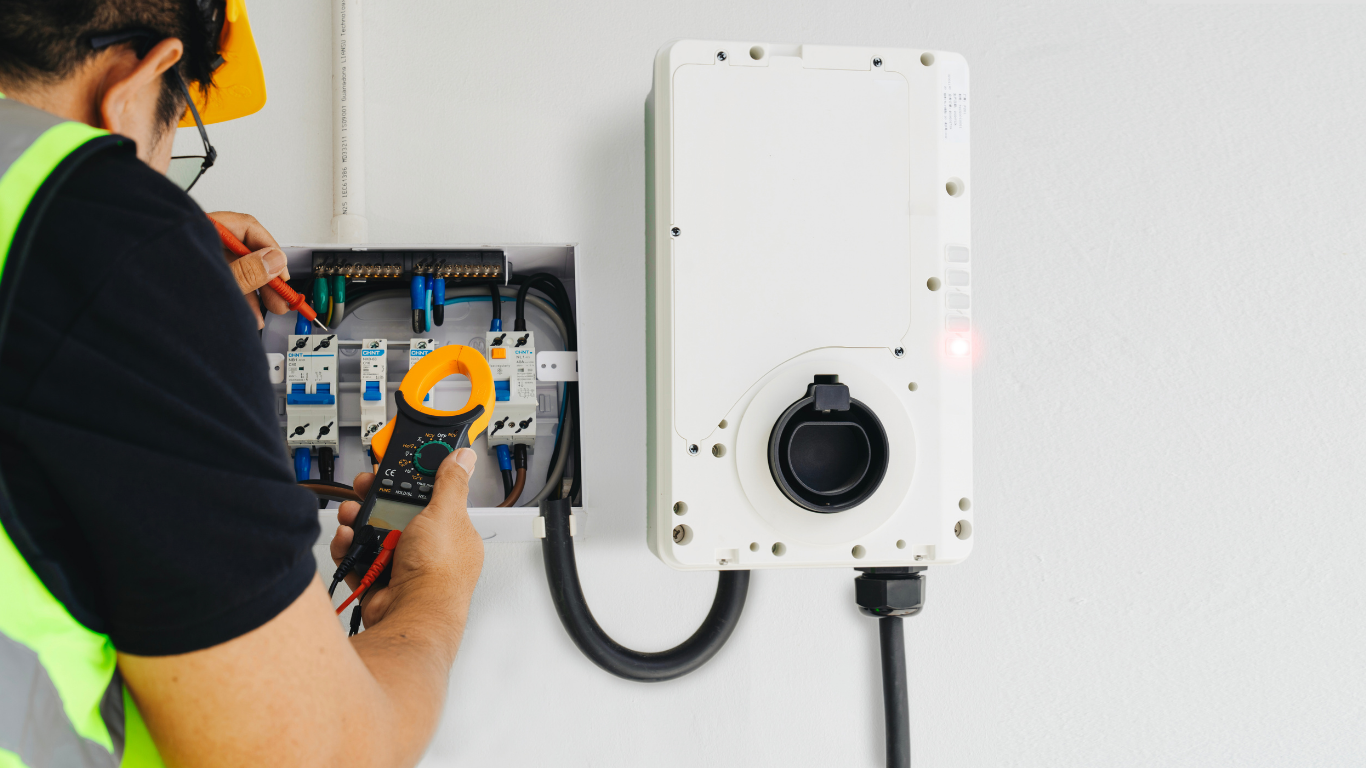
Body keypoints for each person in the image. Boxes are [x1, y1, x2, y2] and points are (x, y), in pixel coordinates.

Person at [0, 2, 484, 766]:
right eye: (179, 138)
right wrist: (433, 600)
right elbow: (324, 757)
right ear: (138, 81)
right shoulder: (113, 243)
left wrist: (145, 313)